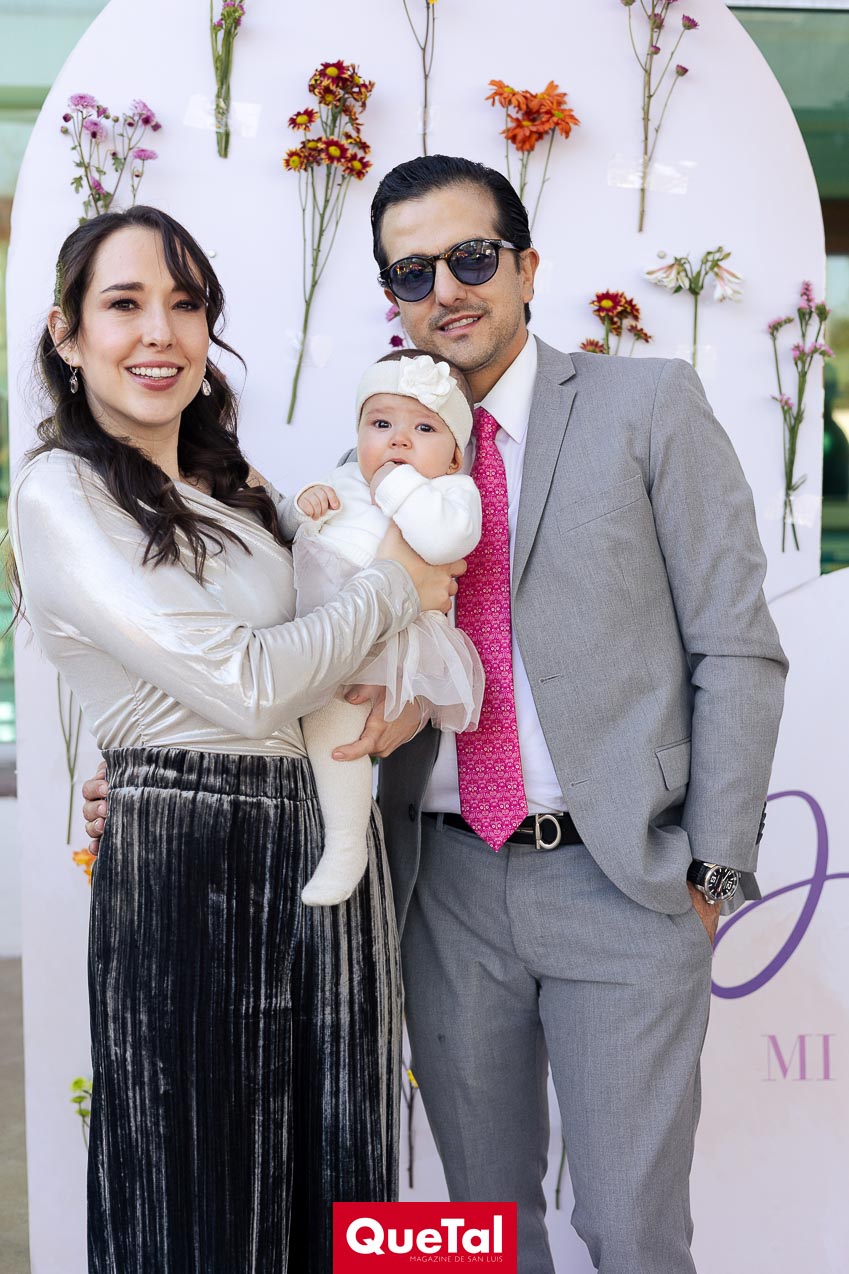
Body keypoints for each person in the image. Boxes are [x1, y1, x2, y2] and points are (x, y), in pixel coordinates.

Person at [83, 157, 789, 1273]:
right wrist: (154, 768)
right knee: (481, 1231)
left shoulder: (647, 406)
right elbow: (298, 663)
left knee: (629, 1228)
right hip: (439, 887)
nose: (446, 290)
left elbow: (736, 645)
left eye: (470, 258)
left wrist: (713, 870)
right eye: (413, 273)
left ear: (525, 266)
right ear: (393, 297)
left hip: (621, 881)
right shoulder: (365, 464)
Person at [9, 204, 462, 1274]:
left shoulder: (240, 486)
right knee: (197, 1195)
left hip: (324, 844)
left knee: (344, 1178)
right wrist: (399, 584)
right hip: (189, 860)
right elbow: (247, 682)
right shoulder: (61, 488)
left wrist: (400, 675)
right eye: (124, 303)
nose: (158, 332)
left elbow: (337, 647)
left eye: (185, 303)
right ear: (68, 333)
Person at [283, 349, 483, 906]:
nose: (398, 441)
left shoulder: (452, 493)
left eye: (423, 428)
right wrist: (303, 506)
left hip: (396, 637)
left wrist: (396, 486)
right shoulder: (345, 477)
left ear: (454, 457)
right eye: (380, 424)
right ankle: (319, 830)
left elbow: (444, 541)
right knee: (304, 723)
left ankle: (346, 843)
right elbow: (288, 531)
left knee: (340, 723)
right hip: (323, 626)